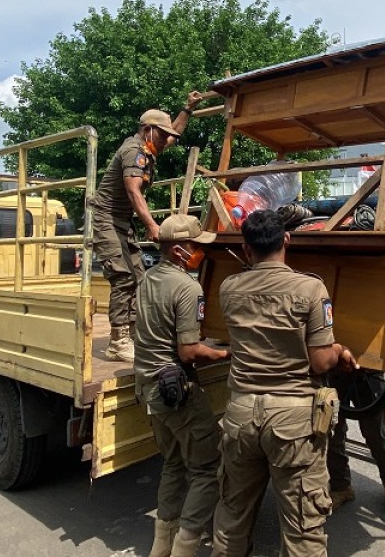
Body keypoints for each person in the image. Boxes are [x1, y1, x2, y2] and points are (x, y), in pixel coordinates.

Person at [211, 210, 358, 557]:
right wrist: (339, 349)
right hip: (293, 421)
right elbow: (321, 361)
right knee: (302, 528)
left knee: (232, 515)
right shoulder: (310, 288)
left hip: (241, 414)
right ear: (286, 240)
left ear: (246, 249)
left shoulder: (229, 287)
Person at [133, 214, 230, 557]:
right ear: (177, 251)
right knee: (208, 467)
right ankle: (185, 548)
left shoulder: (147, 279)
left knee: (174, 463)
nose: (199, 251)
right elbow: (188, 351)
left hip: (149, 388)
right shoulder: (188, 288)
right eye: (194, 246)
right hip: (177, 390)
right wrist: (224, 353)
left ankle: (161, 544)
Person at [89, 91, 203, 362]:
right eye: (162, 135)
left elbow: (175, 132)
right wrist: (152, 225)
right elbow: (133, 192)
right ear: (147, 130)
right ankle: (118, 342)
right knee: (123, 276)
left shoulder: (151, 146)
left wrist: (187, 108)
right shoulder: (133, 151)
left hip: (122, 220)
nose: (169, 140)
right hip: (106, 217)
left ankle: (132, 333)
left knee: (139, 277)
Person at [326, 370, 385, 513]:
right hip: (335, 369)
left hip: (370, 370)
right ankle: (340, 485)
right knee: (332, 428)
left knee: (375, 429)